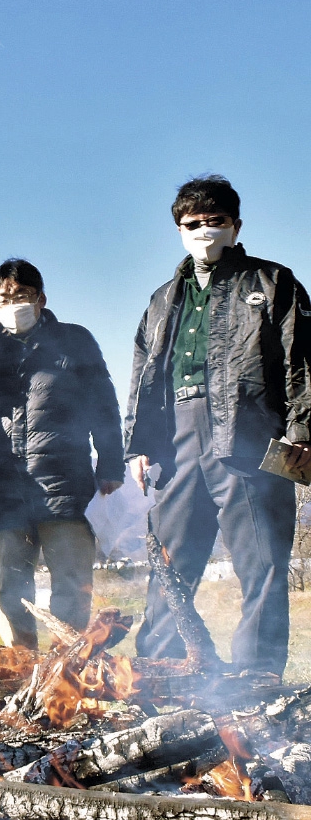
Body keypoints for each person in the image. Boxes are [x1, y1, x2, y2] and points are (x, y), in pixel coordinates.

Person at [125, 175, 311, 676]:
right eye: (193, 224)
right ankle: (161, 673)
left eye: (216, 222)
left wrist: (303, 433)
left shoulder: (273, 282)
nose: (204, 231)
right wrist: (139, 445)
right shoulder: (163, 298)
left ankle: (258, 679)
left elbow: (301, 362)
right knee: (170, 565)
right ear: (179, 229)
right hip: (176, 440)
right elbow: (144, 371)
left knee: (263, 565)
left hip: (250, 436)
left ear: (235, 225)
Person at [0, 259, 123, 650]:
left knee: (71, 582)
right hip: (3, 487)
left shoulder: (75, 341)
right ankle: (20, 675)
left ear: (41, 298)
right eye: (4, 298)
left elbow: (104, 405)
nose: (13, 303)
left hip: (65, 480)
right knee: (12, 586)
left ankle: (66, 672)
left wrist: (111, 463)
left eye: (22, 295)